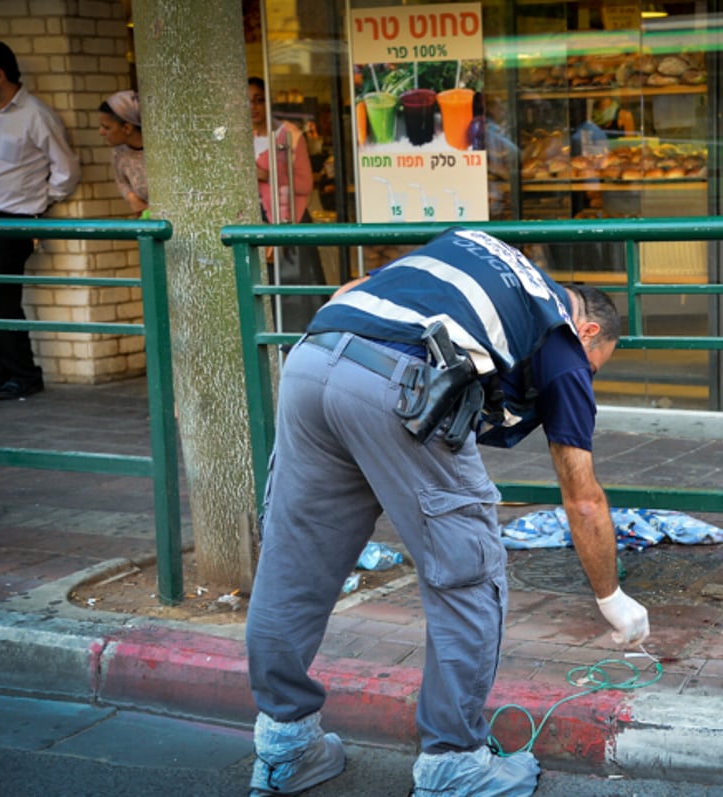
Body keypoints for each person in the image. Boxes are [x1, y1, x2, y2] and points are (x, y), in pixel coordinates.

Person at [244, 227, 650, 797]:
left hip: (313, 359)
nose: (586, 379)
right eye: (595, 365)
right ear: (587, 330)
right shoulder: (560, 338)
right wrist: (612, 598)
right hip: (400, 383)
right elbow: (581, 495)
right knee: (468, 576)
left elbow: (352, 289)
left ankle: (284, 750)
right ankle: (455, 765)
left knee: (295, 563)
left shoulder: (482, 257)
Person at [0, 40, 81, 401]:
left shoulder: (36, 114)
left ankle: (24, 374)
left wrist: (39, 202)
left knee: (0, 299)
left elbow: (65, 171)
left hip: (11, 220)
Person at [248, 77, 325, 333]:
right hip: (250, 221)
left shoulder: (288, 134)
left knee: (296, 295)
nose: (253, 107)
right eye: (247, 101)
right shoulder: (235, 138)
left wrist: (266, 175)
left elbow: (304, 184)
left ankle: (297, 348)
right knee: (259, 291)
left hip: (287, 218)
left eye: (259, 99)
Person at [97, 89, 147, 215]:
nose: (101, 132)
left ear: (127, 128)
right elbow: (121, 180)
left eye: (106, 127)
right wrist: (132, 198)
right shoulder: (119, 152)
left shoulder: (160, 151)